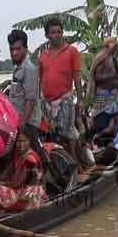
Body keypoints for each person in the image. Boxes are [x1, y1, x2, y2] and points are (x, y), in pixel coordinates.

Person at [38, 18, 85, 167]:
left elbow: (77, 77)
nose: (57, 35)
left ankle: (75, 164)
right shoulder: (43, 56)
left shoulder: (72, 52)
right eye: (53, 32)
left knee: (68, 132)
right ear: (47, 36)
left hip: (65, 99)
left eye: (59, 32)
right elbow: (40, 80)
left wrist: (81, 100)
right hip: (46, 102)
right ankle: (58, 165)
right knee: (51, 134)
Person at [0, 132, 47, 213]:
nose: (21, 145)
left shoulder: (30, 158)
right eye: (19, 142)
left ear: (30, 142)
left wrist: (2, 184)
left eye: (24, 141)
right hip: (23, 190)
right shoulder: (19, 153)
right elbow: (9, 170)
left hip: (30, 194)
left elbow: (19, 181)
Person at [7, 30, 42, 137]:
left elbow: (30, 99)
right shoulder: (18, 68)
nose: (14, 53)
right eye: (12, 49)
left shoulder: (29, 69)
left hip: (27, 124)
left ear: (26, 49)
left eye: (18, 49)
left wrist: (23, 123)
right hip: (16, 121)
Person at [87, 37, 118, 138]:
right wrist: (112, 77)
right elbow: (97, 76)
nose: (116, 47)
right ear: (108, 45)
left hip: (114, 93)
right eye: (114, 45)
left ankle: (112, 133)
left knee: (117, 115)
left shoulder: (112, 58)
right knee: (101, 118)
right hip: (103, 93)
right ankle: (97, 136)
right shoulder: (101, 57)